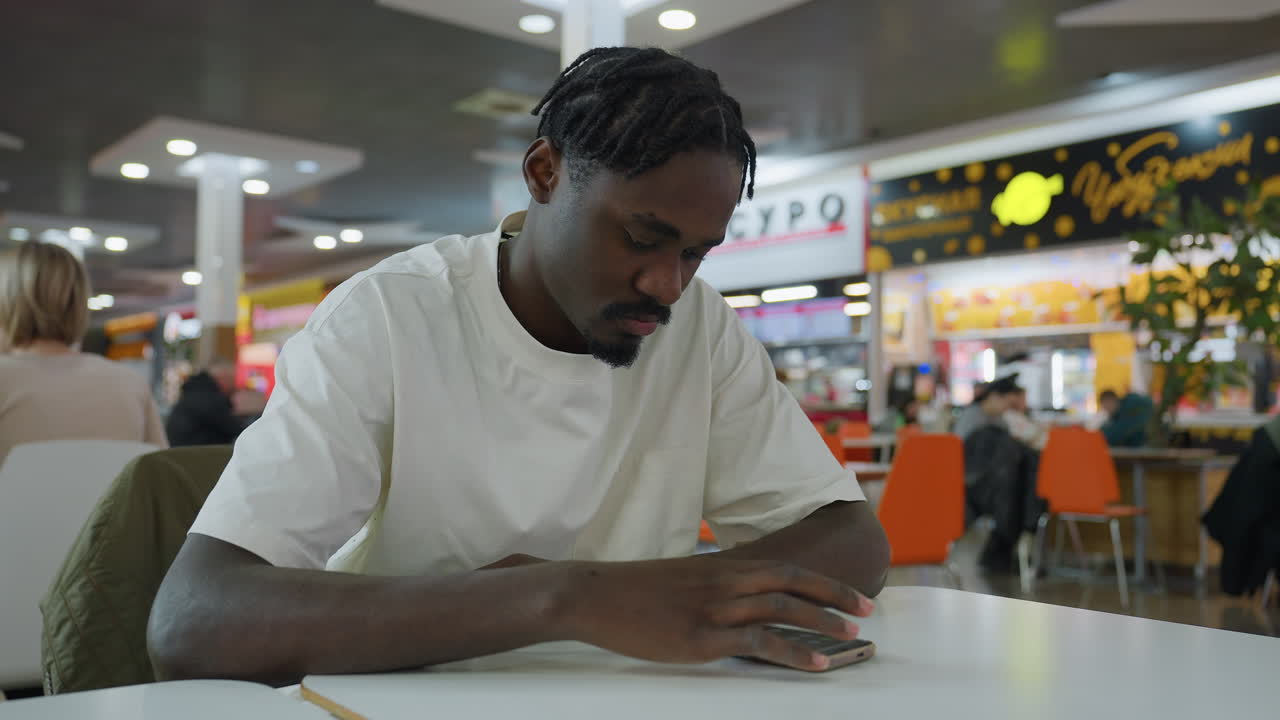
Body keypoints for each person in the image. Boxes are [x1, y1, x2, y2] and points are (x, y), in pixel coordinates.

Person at [149, 47, 890, 685]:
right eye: (641, 237)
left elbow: (851, 539)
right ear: (544, 172)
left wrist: (631, 597)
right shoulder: (389, 316)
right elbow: (193, 622)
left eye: (696, 253)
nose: (668, 284)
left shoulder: (698, 329)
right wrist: (567, 599)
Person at [0, 242, 167, 463]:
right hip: (111, 499)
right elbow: (160, 474)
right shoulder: (130, 383)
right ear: (78, 302)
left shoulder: (7, 378)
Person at [165, 358, 249, 447]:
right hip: (193, 456)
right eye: (232, 379)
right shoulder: (209, 398)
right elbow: (236, 429)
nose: (234, 385)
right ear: (223, 377)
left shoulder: (197, 391)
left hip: (181, 452)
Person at [952, 376, 1019, 441]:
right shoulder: (971, 416)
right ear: (994, 396)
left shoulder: (1000, 420)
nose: (1008, 409)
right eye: (1009, 404)